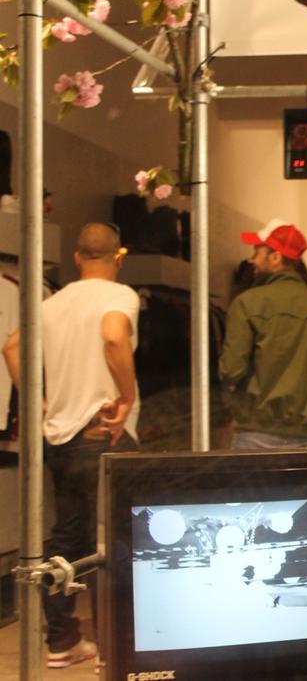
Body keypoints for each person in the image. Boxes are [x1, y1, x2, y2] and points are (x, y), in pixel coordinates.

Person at [3, 222, 140, 669]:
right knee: (113, 541)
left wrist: (40, 401)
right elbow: (114, 336)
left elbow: (12, 347)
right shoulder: (119, 295)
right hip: (105, 433)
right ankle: (113, 648)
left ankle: (62, 642)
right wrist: (128, 397)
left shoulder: (50, 304)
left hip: (61, 437)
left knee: (67, 538)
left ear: (78, 258)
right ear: (117, 258)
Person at [219, 218, 307, 449]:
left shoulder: (248, 303)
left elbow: (232, 370)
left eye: (257, 252)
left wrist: (237, 408)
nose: (251, 260)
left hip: (256, 430)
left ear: (275, 257)